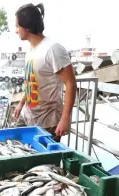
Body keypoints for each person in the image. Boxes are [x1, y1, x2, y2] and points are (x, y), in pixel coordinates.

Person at [14, 3, 77, 142]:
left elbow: (71, 83)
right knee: (13, 147)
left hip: (47, 122)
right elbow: (31, 81)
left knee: (42, 163)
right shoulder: (31, 49)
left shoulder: (53, 49)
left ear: (28, 27)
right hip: (28, 116)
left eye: (17, 26)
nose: (16, 30)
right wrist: (21, 103)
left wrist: (65, 119)